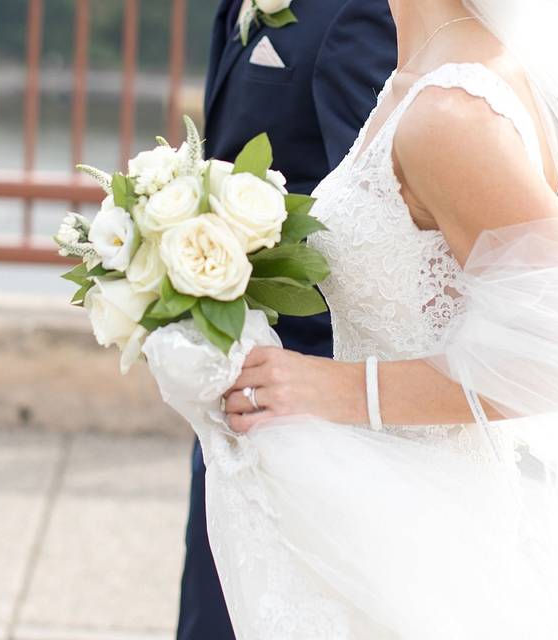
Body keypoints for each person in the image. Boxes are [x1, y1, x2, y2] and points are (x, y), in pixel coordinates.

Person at [148, 0, 558, 636]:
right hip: (392, 498)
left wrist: (332, 387)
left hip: (442, 521)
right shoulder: (423, 68)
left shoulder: (452, 115)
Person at [176, 1, 395, 638]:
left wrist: (315, 382)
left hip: (310, 406)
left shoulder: (360, 17)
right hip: (239, 388)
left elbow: (388, 228)